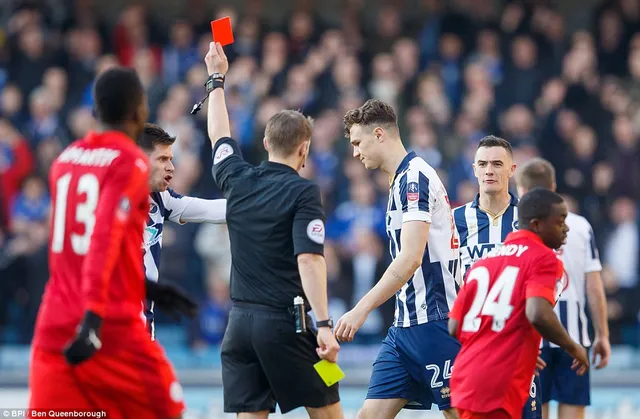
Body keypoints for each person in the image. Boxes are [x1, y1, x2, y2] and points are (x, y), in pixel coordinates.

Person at [28, 68, 186, 418]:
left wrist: (148, 288)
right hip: (109, 325)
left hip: (54, 324)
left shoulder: (65, 160)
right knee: (169, 410)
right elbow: (101, 240)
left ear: (96, 109)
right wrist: (94, 319)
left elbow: (76, 249)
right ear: (138, 111)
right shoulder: (130, 163)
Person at [204, 42, 343, 418]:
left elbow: (219, 136)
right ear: (305, 149)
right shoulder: (303, 191)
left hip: (239, 328)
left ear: (265, 143)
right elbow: (310, 260)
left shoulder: (237, 177)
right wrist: (325, 324)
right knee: (329, 411)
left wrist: (216, 79)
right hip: (286, 326)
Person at [336, 98, 461, 419]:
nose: (354, 152)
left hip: (436, 320)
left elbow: (410, 259)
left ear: (379, 134)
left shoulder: (414, 179)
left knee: (462, 414)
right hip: (404, 327)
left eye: (357, 142)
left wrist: (360, 309)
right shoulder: (400, 180)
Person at [448, 188, 590, 419]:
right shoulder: (543, 257)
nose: (566, 228)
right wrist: (573, 348)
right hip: (498, 385)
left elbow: (454, 327)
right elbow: (538, 313)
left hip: (467, 378)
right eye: (560, 221)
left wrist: (511, 346)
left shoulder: (484, 261)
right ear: (536, 225)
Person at [452, 135, 542, 419]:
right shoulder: (453, 221)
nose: (489, 170)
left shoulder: (530, 220)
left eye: (496, 164)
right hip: (471, 347)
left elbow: (550, 278)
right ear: (474, 169)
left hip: (518, 343)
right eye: (483, 164)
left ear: (512, 170)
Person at [516, 158, 610, 419]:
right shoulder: (580, 226)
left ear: (521, 191)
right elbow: (594, 285)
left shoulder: (517, 228)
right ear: (554, 185)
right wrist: (602, 334)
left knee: (535, 412)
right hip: (574, 338)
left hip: (532, 338)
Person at [138, 122, 226, 341]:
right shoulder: (111, 201)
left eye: (171, 159)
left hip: (143, 327)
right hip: (114, 328)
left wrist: (266, 203)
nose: (171, 168)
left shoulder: (160, 198)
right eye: (162, 159)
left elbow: (212, 210)